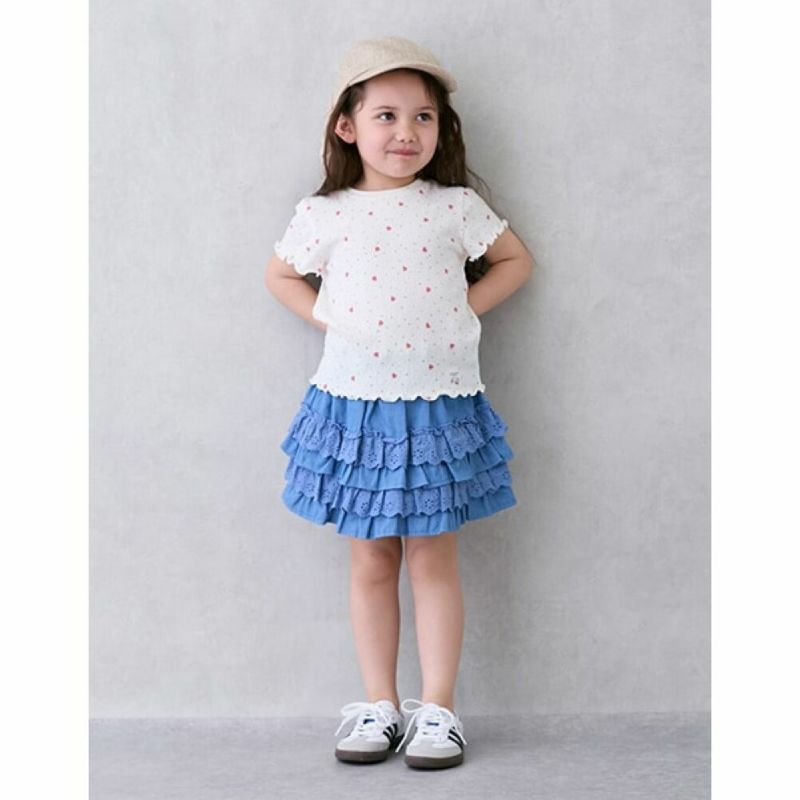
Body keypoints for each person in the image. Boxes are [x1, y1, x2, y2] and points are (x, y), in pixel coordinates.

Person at [264, 36, 534, 770]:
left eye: (423, 117)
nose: (406, 132)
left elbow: (515, 261)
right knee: (372, 560)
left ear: (441, 129)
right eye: (386, 115)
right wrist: (331, 318)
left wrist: (462, 311)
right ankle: (379, 705)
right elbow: (280, 276)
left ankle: (438, 709)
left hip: (438, 408)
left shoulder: (454, 206)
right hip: (356, 412)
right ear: (347, 126)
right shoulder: (325, 213)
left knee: (433, 559)